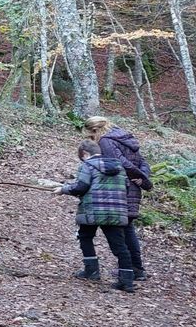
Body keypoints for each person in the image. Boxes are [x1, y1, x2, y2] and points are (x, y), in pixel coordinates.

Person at [51, 139, 135, 292]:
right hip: (116, 211)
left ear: (85, 154)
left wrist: (63, 189)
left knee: (85, 236)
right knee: (119, 245)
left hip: (92, 210)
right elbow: (126, 189)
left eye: (81, 156)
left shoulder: (88, 165)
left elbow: (81, 187)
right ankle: (127, 280)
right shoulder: (119, 167)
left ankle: (92, 271)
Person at [85, 116, 153, 280]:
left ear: (95, 129)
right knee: (128, 228)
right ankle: (136, 268)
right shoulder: (125, 137)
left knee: (123, 232)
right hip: (132, 186)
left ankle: (131, 270)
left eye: (91, 134)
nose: (91, 138)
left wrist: (143, 179)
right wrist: (142, 178)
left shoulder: (106, 141)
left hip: (121, 188)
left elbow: (119, 163)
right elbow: (142, 162)